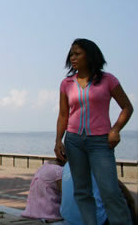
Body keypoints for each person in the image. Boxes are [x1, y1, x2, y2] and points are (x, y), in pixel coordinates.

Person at [54, 38, 133, 225]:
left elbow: (127, 107)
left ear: (90, 55)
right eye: (71, 54)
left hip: (101, 143)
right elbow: (64, 114)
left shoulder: (108, 80)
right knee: (82, 192)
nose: (73, 57)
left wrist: (115, 130)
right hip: (74, 142)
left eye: (77, 54)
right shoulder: (67, 83)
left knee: (110, 192)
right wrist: (59, 140)